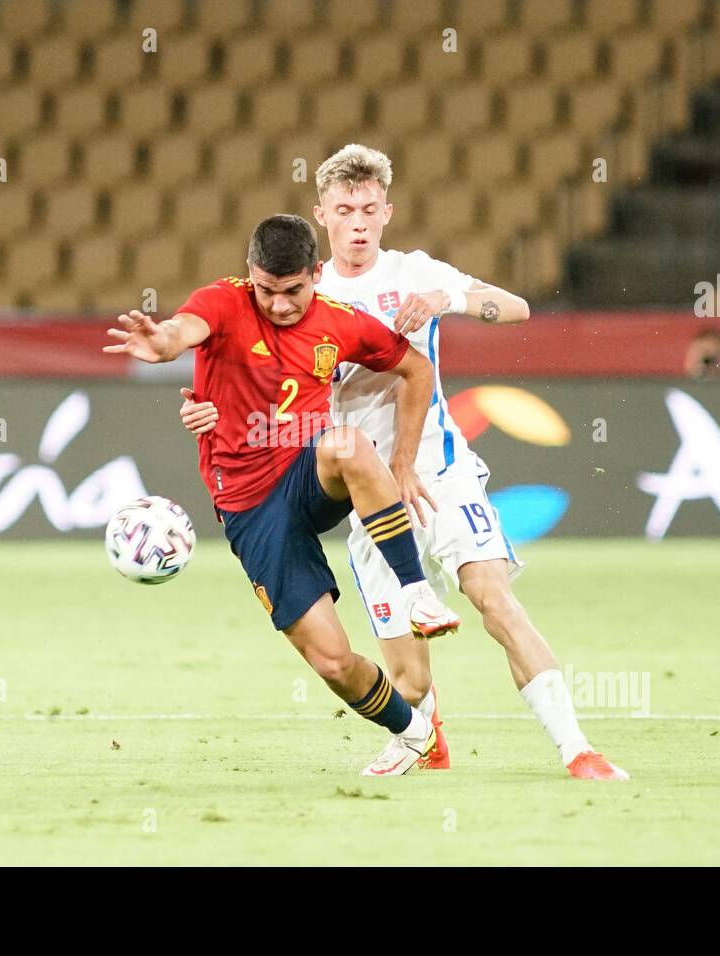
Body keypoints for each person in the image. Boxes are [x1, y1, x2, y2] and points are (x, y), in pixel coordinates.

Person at [180, 145, 628, 780]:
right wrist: (210, 413)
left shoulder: (416, 271)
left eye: (368, 208)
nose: (358, 222)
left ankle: (577, 748)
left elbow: (518, 308)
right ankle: (425, 736)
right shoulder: (303, 292)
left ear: (387, 212)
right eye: (344, 209)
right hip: (371, 495)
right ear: (321, 217)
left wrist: (446, 297)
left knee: (492, 598)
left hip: (439, 472)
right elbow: (254, 383)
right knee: (409, 680)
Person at [105, 214, 461, 776]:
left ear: (316, 275)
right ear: (251, 275)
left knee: (346, 444)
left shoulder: (341, 322)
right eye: (267, 290)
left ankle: (415, 591)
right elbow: (182, 330)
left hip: (305, 469)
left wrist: (402, 461)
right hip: (249, 507)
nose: (278, 305)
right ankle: (414, 732)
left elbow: (416, 369)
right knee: (331, 660)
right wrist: (162, 341)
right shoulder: (223, 301)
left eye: (293, 290)